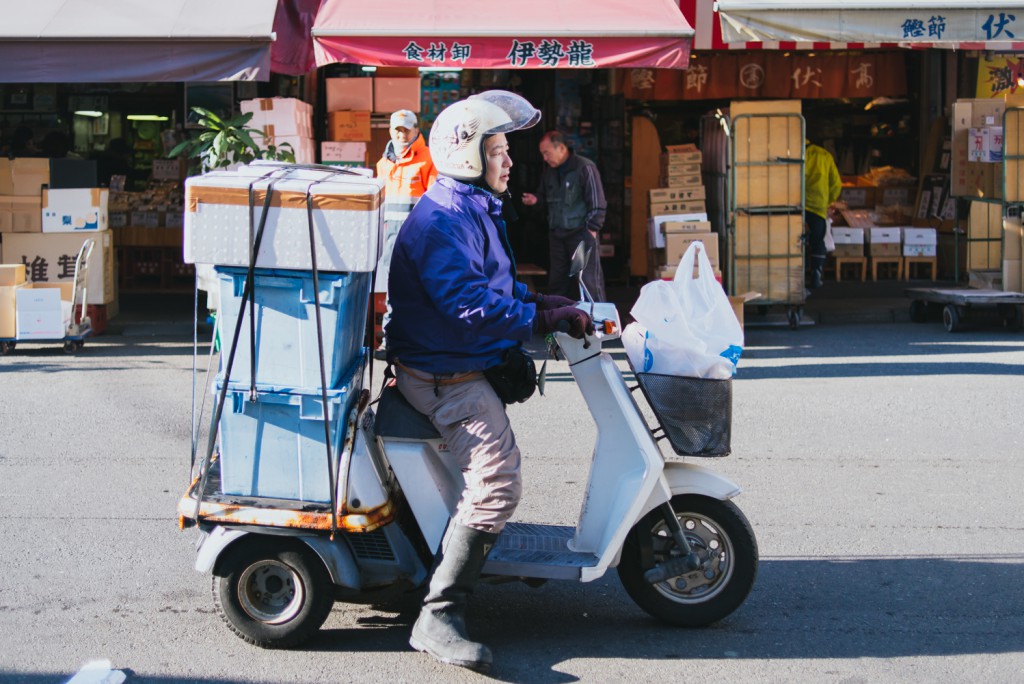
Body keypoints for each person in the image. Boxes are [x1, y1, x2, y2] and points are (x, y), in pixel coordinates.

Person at [387, 91, 593, 672]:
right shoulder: (444, 221)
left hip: (458, 361)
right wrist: (543, 319)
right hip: (445, 374)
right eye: (498, 152)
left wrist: (546, 300)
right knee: (498, 482)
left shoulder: (471, 206)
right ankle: (439, 616)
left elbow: (497, 286)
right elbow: (470, 305)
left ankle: (478, 560)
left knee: (490, 479)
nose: (508, 162)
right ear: (468, 155)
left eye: (505, 150)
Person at [374, 109, 438, 359]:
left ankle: (420, 341)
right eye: (397, 130)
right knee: (394, 288)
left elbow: (433, 202)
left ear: (416, 131)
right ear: (390, 131)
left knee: (420, 288)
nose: (401, 134)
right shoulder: (384, 163)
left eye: (406, 130)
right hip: (392, 237)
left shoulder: (428, 158)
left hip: (419, 237)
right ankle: (391, 340)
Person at [521, 131, 607, 301]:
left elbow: (597, 203)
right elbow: (544, 198)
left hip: (581, 233)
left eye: (547, 153)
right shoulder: (549, 173)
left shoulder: (585, 167)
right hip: (557, 235)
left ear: (561, 148)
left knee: (588, 281)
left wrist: (592, 229)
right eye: (542, 154)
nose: (545, 158)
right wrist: (535, 200)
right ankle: (558, 321)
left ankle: (596, 321)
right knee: (557, 282)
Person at [804, 139, 841, 288]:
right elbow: (836, 183)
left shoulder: (794, 152)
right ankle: (816, 271)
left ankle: (795, 271)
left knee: (792, 243)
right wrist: (828, 200)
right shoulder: (824, 155)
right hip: (817, 207)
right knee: (818, 241)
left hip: (796, 206)